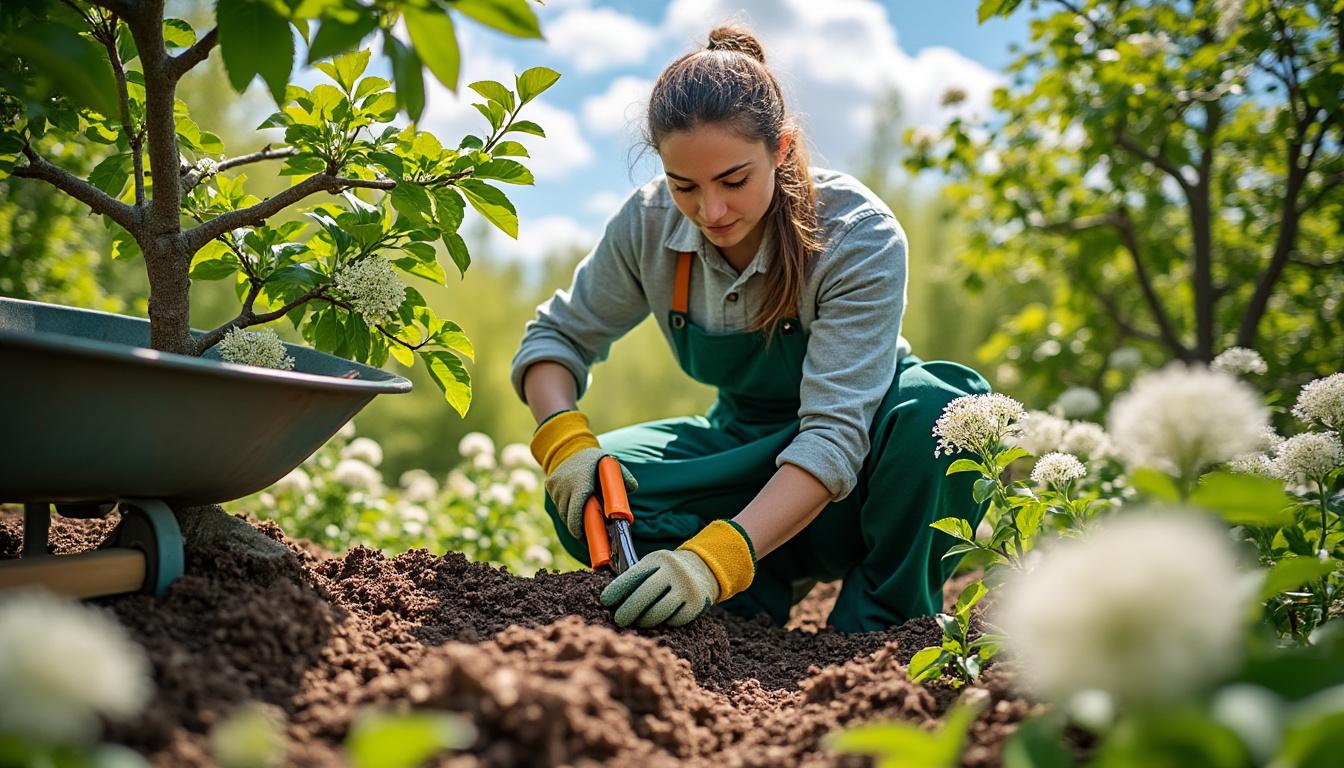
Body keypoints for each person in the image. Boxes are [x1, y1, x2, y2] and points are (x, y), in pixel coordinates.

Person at [511, 24, 991, 633]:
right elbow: (554, 340)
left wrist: (715, 559)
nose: (711, 211)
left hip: (869, 460)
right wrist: (566, 442)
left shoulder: (856, 236)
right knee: (596, 498)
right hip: (743, 447)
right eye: (685, 185)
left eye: (734, 180)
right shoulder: (649, 225)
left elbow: (834, 436)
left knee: (938, 411)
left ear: (782, 148)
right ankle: (746, 611)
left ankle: (880, 626)